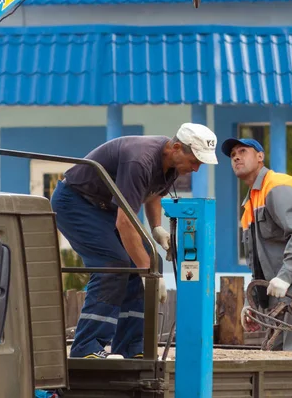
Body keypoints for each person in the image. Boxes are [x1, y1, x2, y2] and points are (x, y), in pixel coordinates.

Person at [51, 123, 219, 359]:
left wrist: (157, 228)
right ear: (177, 147)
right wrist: (146, 274)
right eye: (195, 160)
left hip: (104, 207)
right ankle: (86, 347)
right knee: (113, 264)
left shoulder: (170, 163)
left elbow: (154, 195)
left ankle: (131, 346)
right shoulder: (140, 161)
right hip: (75, 203)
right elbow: (125, 223)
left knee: (145, 260)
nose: (197, 168)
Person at [221, 137, 292, 352]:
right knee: (276, 352)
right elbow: (257, 261)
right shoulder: (250, 204)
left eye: (243, 151)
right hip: (282, 285)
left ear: (260, 157)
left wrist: (284, 276)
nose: (236, 156)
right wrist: (253, 301)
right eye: (233, 154)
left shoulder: (279, 186)